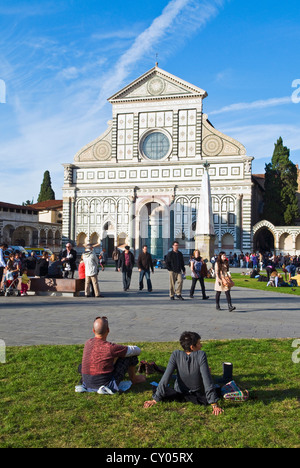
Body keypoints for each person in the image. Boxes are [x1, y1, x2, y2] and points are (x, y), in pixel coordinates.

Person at [143, 331, 223, 416]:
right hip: (197, 391)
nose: (201, 345)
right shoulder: (201, 354)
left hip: (179, 390)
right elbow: (207, 380)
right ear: (192, 347)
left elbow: (166, 377)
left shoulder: (175, 354)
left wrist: (156, 398)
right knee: (217, 389)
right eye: (199, 343)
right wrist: (214, 404)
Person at [79, 317, 146, 393]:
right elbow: (137, 350)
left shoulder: (88, 343)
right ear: (108, 330)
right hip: (106, 384)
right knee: (131, 356)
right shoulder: (111, 347)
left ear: (93, 330)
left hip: (87, 382)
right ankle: (134, 379)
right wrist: (121, 351)